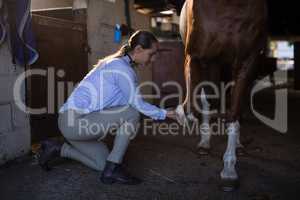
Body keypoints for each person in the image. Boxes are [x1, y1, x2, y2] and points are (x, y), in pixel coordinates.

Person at [38, 30, 177, 185]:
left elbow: (124, 104)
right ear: (138, 49)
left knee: (102, 164)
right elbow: (137, 105)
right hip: (74, 122)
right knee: (132, 113)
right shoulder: (121, 68)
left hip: (72, 124)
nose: (153, 59)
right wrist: (167, 114)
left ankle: (58, 148)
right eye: (152, 54)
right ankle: (113, 169)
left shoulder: (118, 64)